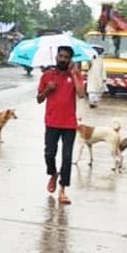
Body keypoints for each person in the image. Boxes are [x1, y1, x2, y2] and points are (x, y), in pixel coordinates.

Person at [37, 45, 86, 205]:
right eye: (61, 56)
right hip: (52, 121)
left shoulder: (75, 74)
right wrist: (47, 90)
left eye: (66, 57)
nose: (63, 59)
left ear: (70, 59)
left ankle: (63, 190)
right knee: (49, 154)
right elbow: (39, 99)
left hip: (69, 124)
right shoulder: (47, 75)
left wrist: (74, 74)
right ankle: (52, 174)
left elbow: (81, 94)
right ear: (56, 57)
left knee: (67, 157)